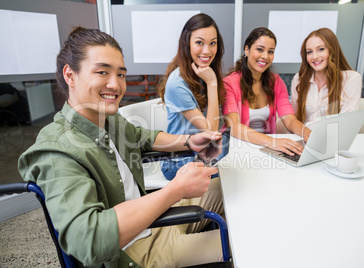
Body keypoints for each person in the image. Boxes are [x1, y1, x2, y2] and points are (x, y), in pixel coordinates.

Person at [18, 27, 225, 268]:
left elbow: (140, 136)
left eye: (121, 75)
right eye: (102, 72)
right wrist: (175, 190)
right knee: (242, 241)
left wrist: (188, 141)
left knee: (224, 185)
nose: (115, 85)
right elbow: (89, 241)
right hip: (133, 252)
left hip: (152, 219)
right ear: (70, 75)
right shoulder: (57, 150)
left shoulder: (108, 119)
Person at [223, 27, 310, 156]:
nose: (265, 56)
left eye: (270, 51)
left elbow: (290, 120)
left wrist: (309, 134)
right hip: (237, 149)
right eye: (260, 49)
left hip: (265, 149)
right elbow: (233, 126)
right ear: (247, 50)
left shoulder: (276, 82)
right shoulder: (229, 83)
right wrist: (272, 142)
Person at [158, 13, 225, 179]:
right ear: (186, 43)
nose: (207, 51)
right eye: (199, 43)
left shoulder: (203, 73)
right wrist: (212, 84)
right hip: (178, 161)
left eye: (212, 43)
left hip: (201, 155)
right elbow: (210, 131)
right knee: (231, 179)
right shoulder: (178, 82)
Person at [291, 27, 362, 127]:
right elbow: (293, 120)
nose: (314, 56)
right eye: (309, 52)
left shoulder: (351, 79)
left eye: (321, 49)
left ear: (332, 50)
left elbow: (347, 123)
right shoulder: (299, 79)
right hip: (304, 139)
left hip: (333, 140)